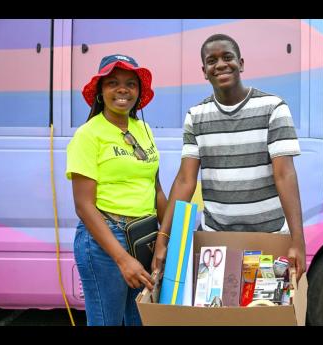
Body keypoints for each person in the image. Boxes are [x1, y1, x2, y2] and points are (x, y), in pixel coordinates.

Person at [152, 34, 306, 282]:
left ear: (241, 63)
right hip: (216, 240)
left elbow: (284, 174)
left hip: (270, 236)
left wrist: (298, 240)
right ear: (204, 71)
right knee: (218, 313)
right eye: (212, 61)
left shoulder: (273, 108)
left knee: (263, 313)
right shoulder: (196, 116)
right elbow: (184, 181)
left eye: (227, 57)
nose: (221, 65)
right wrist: (163, 237)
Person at [66, 54, 167, 326]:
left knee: (143, 320)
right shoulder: (88, 134)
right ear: (100, 90)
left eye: (131, 84)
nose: (123, 89)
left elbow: (155, 187)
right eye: (113, 83)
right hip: (106, 241)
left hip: (144, 238)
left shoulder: (143, 129)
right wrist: (123, 260)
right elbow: (83, 205)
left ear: (139, 91)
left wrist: (169, 236)